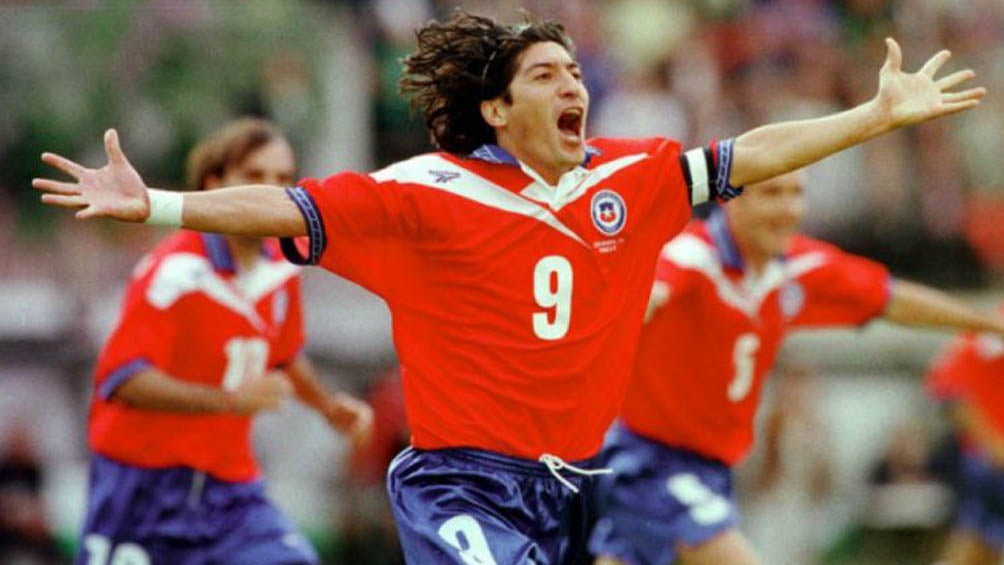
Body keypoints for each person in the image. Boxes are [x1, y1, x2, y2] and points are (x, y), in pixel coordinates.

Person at [33, 10, 984, 564]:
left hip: (579, 487)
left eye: (575, 69)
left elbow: (745, 157)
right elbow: (283, 205)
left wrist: (873, 114)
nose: (573, 82)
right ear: (496, 106)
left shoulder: (635, 179)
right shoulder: (430, 193)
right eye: (545, 73)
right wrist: (154, 201)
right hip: (463, 483)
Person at [588, 170, 1004, 565]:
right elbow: (647, 293)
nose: (788, 208)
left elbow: (889, 298)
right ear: (729, 199)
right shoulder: (692, 256)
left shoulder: (797, 267)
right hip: (648, 460)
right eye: (771, 193)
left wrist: (986, 322)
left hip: (712, 467)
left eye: (796, 193)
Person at [70, 118, 373, 565]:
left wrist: (328, 406)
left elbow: (283, 355)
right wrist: (229, 400)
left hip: (230, 489)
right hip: (143, 487)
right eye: (254, 176)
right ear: (215, 183)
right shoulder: (174, 272)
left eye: (283, 178)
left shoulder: (282, 266)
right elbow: (123, 379)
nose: (272, 190)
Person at [926, 316, 1004, 565]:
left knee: (981, 551)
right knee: (975, 549)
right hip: (991, 467)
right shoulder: (993, 327)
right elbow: (947, 388)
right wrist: (994, 446)